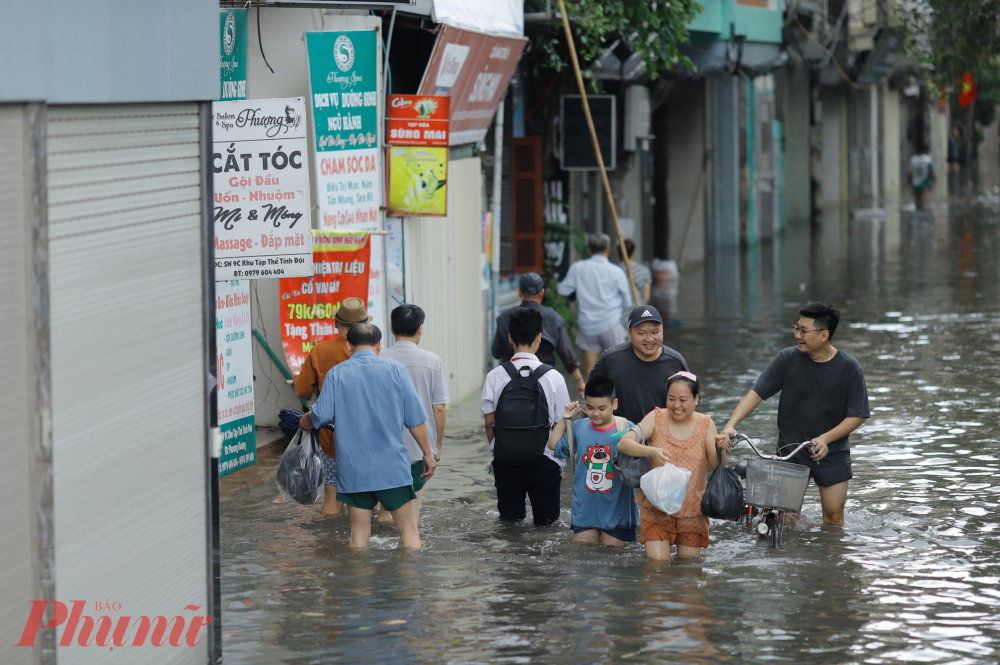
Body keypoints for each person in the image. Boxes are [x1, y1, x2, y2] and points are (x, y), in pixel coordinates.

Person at [716, 302, 870, 526]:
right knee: (787, 519)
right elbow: (756, 394)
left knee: (834, 517)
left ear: (824, 335)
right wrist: (730, 425)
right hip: (791, 451)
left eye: (804, 331)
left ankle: (831, 559)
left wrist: (826, 438)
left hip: (832, 452)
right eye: (796, 328)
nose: (797, 335)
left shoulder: (849, 367)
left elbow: (858, 415)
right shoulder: (787, 359)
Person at [299, 323, 437, 550]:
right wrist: (428, 453)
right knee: (409, 532)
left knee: (358, 537)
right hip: (392, 468)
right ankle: (409, 584)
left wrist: (305, 421)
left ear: (349, 346)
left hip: (355, 470)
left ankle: (358, 584)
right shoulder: (396, 369)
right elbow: (415, 419)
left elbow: (320, 415)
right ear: (379, 345)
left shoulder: (337, 373)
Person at [617, 372, 723, 559]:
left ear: (696, 399)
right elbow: (624, 443)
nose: (676, 405)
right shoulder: (656, 418)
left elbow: (716, 466)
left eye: (683, 400)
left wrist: (720, 449)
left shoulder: (706, 424)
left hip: (692, 509)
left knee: (688, 570)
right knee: (657, 569)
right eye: (671, 398)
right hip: (656, 505)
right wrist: (651, 451)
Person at [481, 307, 571, 527]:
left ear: (510, 337)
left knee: (509, 526)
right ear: (539, 337)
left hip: (507, 461)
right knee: (547, 526)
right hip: (545, 462)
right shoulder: (553, 377)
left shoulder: (495, 376)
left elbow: (489, 421)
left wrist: (498, 451)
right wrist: (558, 462)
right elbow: (564, 421)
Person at [292, 296, 371, 515]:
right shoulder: (373, 354)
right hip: (368, 436)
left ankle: (329, 544)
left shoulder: (320, 350)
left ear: (336, 323)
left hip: (331, 436)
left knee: (332, 497)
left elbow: (302, 390)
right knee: (368, 497)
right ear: (365, 327)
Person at [546, 375, 640, 547]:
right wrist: (565, 418)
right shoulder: (579, 427)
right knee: (583, 556)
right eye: (589, 407)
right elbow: (552, 445)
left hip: (617, 509)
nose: (595, 413)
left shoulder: (627, 429)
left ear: (615, 404)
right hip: (585, 509)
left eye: (602, 408)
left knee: (611, 559)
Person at [378, 304, 449, 522]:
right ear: (420, 329)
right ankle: (408, 553)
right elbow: (439, 407)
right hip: (420, 448)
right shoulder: (432, 361)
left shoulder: (379, 359)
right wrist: (436, 446)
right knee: (412, 514)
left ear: (391, 328)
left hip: (385, 447)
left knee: (385, 512)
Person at [589, 305, 688, 425]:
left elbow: (688, 405)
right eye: (641, 333)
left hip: (661, 436)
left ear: (662, 330)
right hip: (620, 435)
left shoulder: (675, 363)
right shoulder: (610, 359)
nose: (649, 339)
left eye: (655, 332)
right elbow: (592, 399)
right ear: (630, 333)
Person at [492, 272, 586, 397]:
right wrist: (579, 381)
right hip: (545, 382)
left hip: (510, 382)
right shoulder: (552, 318)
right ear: (541, 293)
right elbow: (567, 354)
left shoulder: (505, 318)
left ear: (519, 292)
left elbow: (496, 352)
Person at [557, 233, 633, 376]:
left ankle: (590, 398)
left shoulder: (577, 268)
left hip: (587, 326)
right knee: (617, 369)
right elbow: (627, 301)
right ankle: (616, 398)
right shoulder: (616, 271)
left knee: (590, 371)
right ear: (608, 249)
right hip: (611, 324)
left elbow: (563, 290)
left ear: (589, 250)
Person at [621, 239, 652, 305]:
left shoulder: (615, 270)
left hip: (619, 310)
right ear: (633, 253)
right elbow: (646, 297)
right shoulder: (644, 270)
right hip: (637, 308)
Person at [909, 143, 935, 209]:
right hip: (925, 185)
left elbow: (910, 174)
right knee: (924, 205)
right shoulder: (928, 159)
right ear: (926, 151)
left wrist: (910, 185)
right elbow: (933, 173)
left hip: (915, 185)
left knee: (917, 205)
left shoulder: (913, 159)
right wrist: (933, 184)